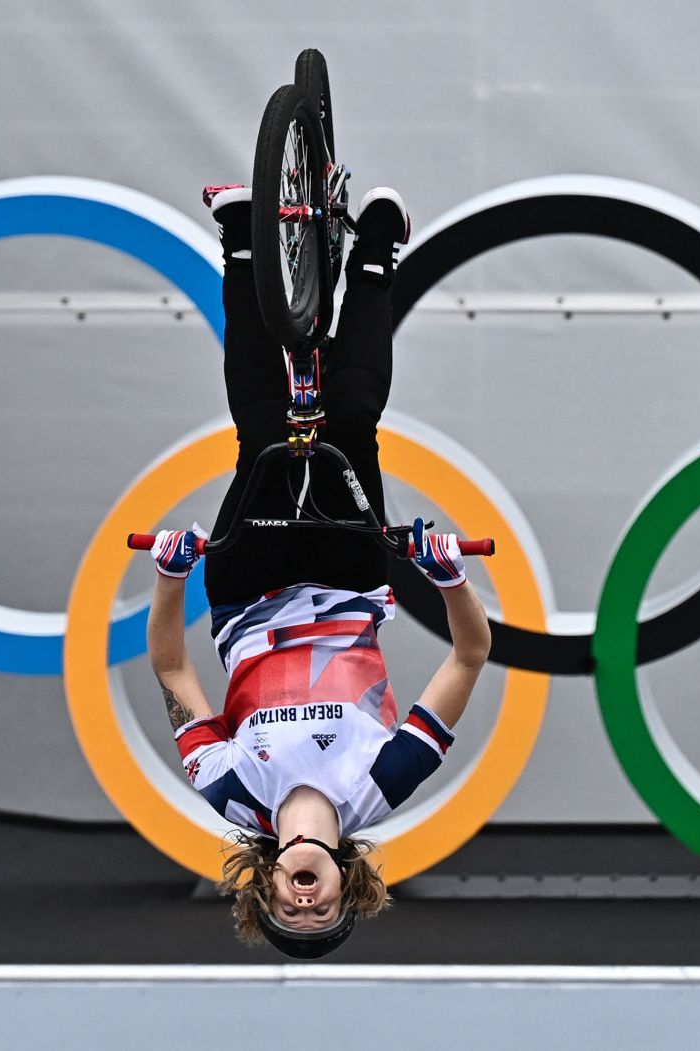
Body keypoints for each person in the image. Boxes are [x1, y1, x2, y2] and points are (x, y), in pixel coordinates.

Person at [142, 183, 492, 959]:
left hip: (247, 588)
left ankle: (239, 230)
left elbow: (170, 663)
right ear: (345, 887)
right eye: (319, 914)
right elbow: (470, 654)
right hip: (346, 581)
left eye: (286, 913)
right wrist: (448, 580)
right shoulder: (383, 783)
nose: (303, 905)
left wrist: (170, 575)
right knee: (351, 416)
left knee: (263, 425)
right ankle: (375, 249)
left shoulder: (231, 790)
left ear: (263, 886)